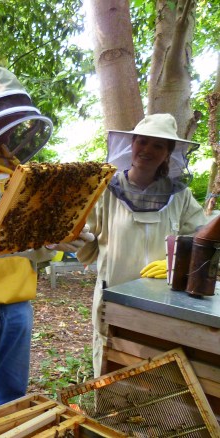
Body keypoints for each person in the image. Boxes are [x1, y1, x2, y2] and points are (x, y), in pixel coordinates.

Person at [0, 65, 94, 425]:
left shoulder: (16, 170)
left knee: (11, 403)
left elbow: (29, 243)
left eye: (12, 120)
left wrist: (59, 237)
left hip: (17, 303)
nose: (8, 129)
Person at [76, 113, 207, 377]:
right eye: (142, 141)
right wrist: (73, 238)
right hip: (113, 297)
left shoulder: (181, 196)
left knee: (157, 371)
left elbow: (201, 240)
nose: (147, 149)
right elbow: (84, 242)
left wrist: (175, 263)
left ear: (168, 153)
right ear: (132, 143)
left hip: (164, 303)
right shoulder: (105, 191)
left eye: (158, 145)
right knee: (111, 367)